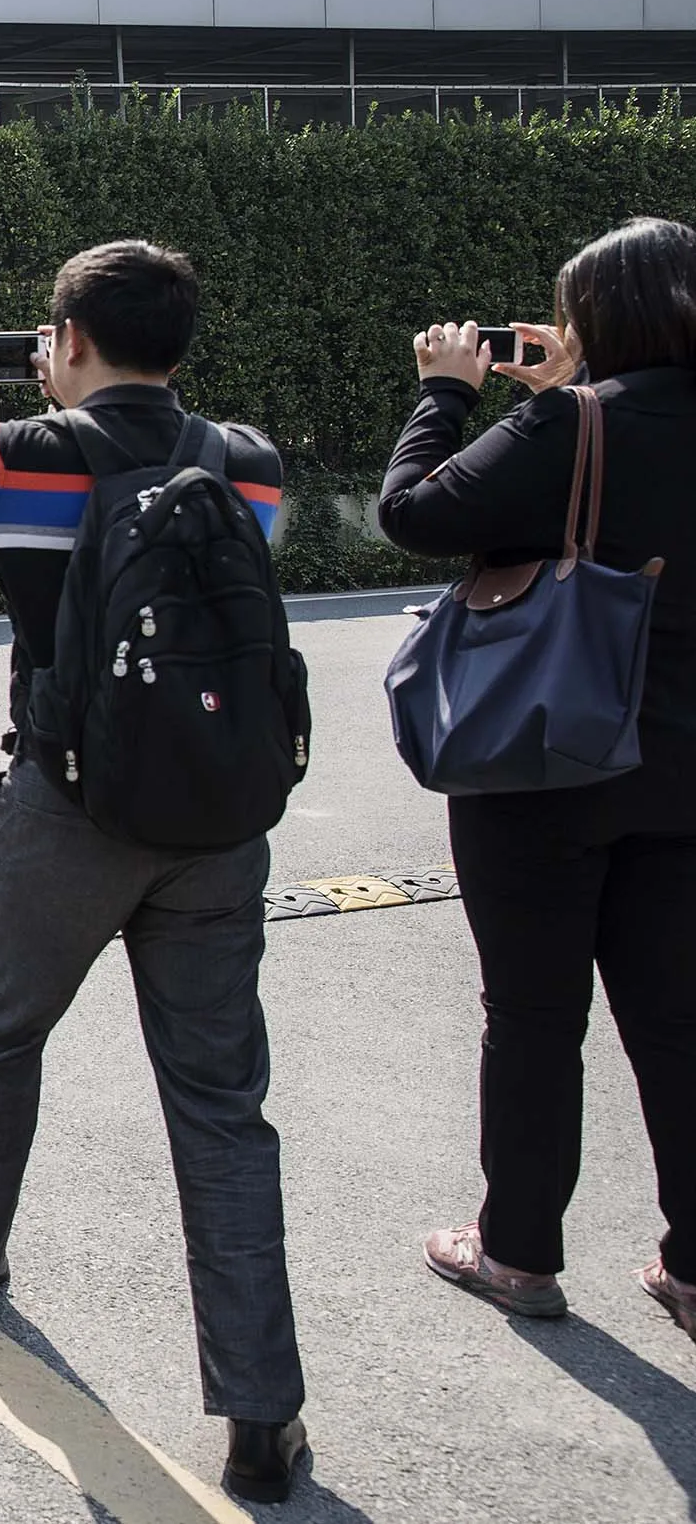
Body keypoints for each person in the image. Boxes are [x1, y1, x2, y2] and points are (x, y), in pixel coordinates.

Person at [0, 242, 311, 1502]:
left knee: (6, 1034)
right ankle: (262, 1413)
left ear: (65, 338)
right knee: (221, 1105)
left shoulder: (15, 459)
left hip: (69, 808)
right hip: (217, 818)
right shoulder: (247, 463)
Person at [376, 217, 696, 1344]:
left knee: (530, 1014)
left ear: (598, 317)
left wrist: (450, 392)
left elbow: (413, 512)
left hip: (546, 766)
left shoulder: (568, 422)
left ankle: (516, 1251)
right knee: (676, 1019)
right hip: (684, 777)